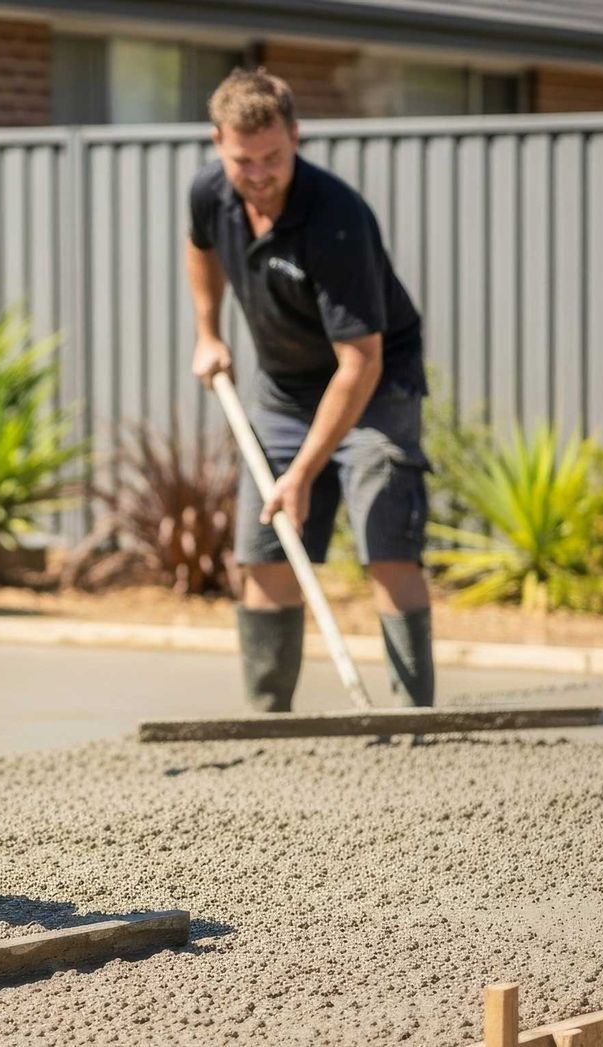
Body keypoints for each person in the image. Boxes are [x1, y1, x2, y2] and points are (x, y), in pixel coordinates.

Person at [184, 69, 434, 713]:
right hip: (284, 391)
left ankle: (414, 718)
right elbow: (199, 247)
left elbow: (361, 362)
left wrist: (301, 473)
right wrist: (208, 333)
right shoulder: (210, 192)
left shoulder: (336, 219)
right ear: (218, 143)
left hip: (374, 388)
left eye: (274, 157)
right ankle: (269, 719)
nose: (261, 173)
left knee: (387, 542)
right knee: (265, 553)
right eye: (245, 161)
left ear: (296, 136)